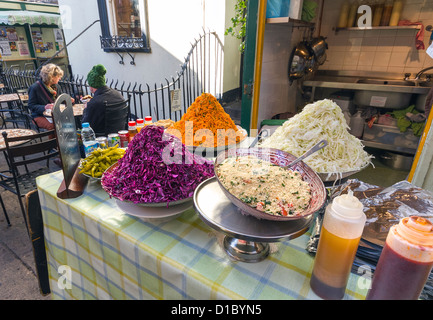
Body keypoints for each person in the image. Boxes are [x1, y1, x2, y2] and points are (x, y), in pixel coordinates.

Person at [81, 64, 125, 134]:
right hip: (121, 133)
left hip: (102, 139)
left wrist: (86, 108)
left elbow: (85, 126)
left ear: (91, 86)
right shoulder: (118, 95)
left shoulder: (94, 103)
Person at [28, 63, 65, 131]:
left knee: (68, 121)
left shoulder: (57, 86)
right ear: (51, 77)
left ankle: (64, 141)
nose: (60, 78)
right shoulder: (35, 88)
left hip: (54, 114)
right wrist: (44, 107)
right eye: (58, 76)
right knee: (53, 126)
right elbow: (31, 106)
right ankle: (53, 141)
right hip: (40, 115)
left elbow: (60, 100)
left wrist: (68, 100)